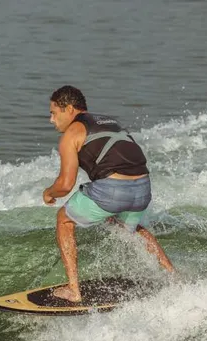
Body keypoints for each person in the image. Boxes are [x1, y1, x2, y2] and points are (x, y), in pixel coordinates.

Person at [42, 85, 174, 302]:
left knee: (64, 220)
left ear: (69, 109)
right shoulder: (109, 122)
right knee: (129, 227)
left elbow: (65, 185)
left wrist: (49, 193)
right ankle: (172, 275)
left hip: (113, 191)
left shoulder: (72, 134)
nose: (51, 120)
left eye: (53, 113)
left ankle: (73, 290)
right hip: (142, 190)